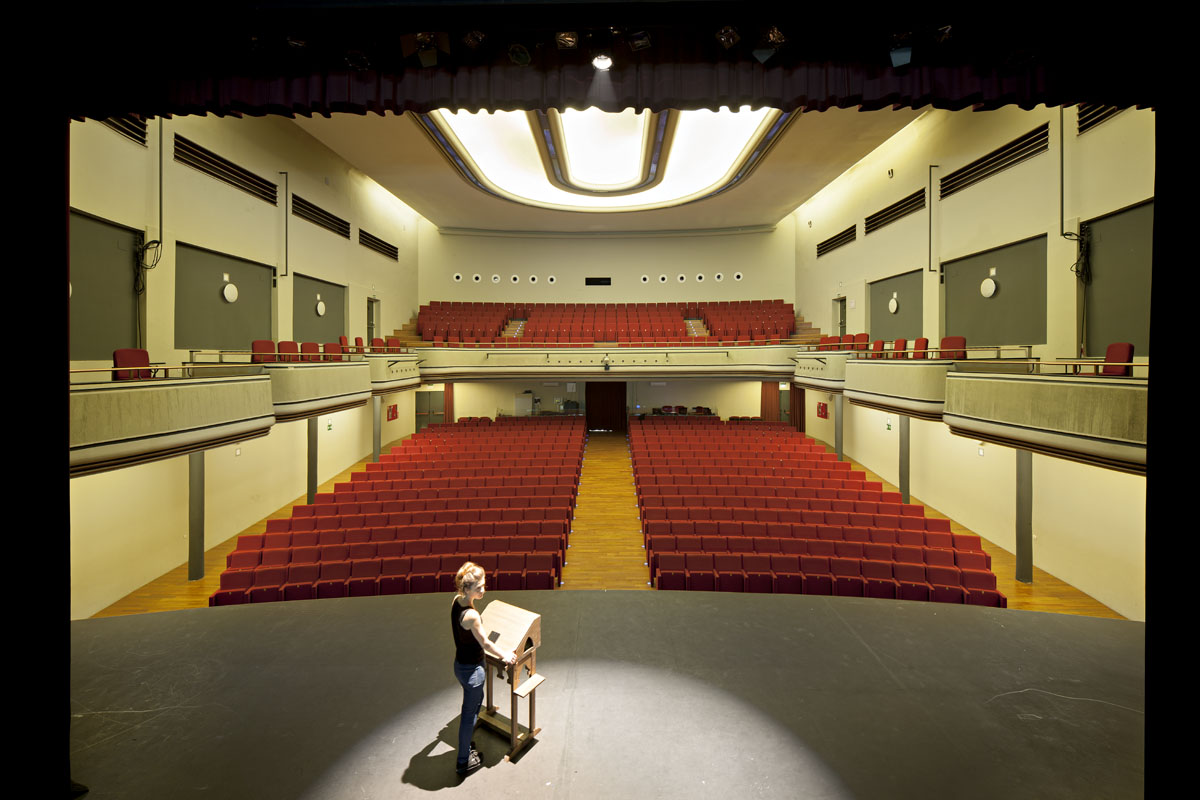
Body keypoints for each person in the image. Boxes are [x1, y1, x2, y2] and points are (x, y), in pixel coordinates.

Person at [451, 562, 517, 776]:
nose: (483, 590)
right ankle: (463, 761)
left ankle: (464, 749)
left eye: (484, 585)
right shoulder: (471, 616)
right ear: (466, 589)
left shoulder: (457, 601)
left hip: (460, 665)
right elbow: (486, 644)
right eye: (478, 587)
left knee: (471, 709)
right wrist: (505, 654)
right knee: (469, 716)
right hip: (472, 671)